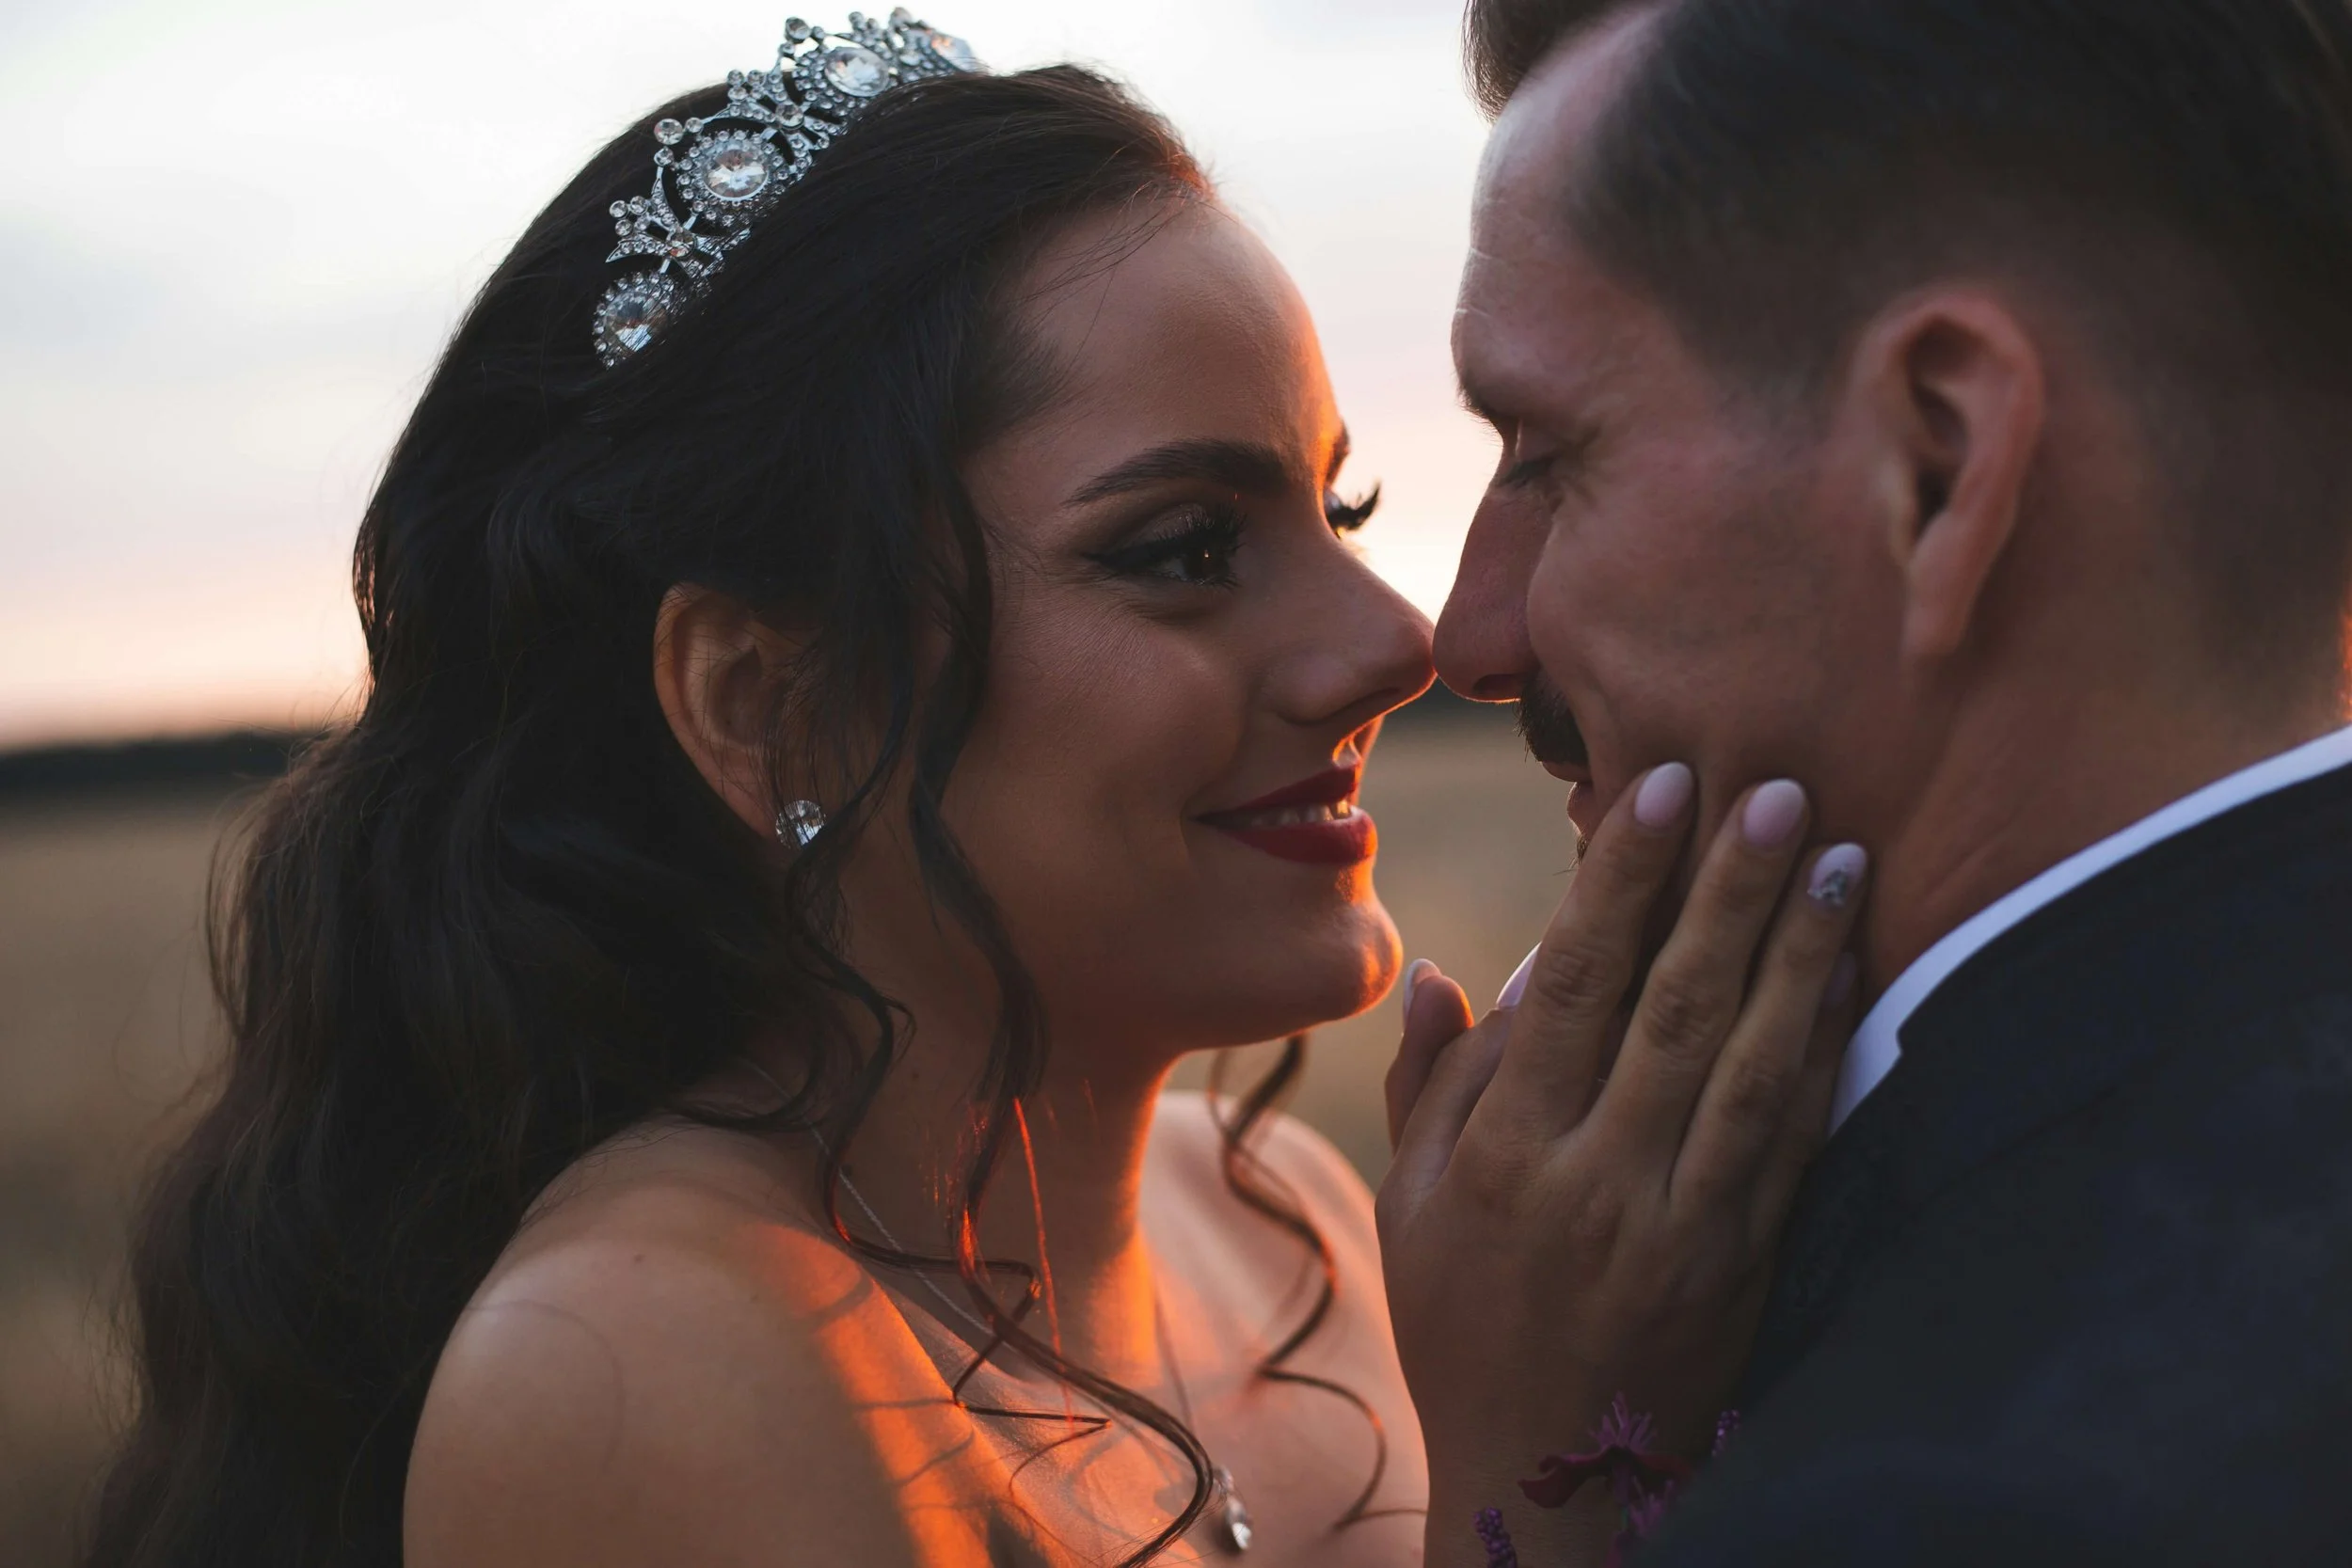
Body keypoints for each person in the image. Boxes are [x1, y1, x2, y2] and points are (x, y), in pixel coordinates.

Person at [1383, 1, 2352, 1564]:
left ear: (1939, 466)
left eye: (1548, 455)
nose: (1471, 636)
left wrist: (1526, 1473)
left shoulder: (1941, 1494)